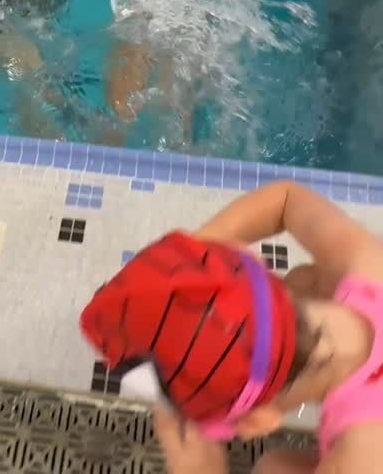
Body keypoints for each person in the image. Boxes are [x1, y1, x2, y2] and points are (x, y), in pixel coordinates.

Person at [85, 180, 383, 474]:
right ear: (254, 259)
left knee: (273, 468)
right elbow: (287, 198)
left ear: (260, 422)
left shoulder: (355, 461)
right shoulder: (366, 264)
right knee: (305, 279)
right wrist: (203, 255)